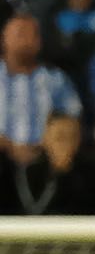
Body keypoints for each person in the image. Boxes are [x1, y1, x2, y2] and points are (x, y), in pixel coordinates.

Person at [0, 13, 81, 162]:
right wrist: (9, 145)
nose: (28, 40)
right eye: (21, 34)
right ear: (4, 39)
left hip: (44, 159)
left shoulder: (56, 79)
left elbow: (73, 120)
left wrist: (51, 143)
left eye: (34, 35)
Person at [11, 111, 95, 214]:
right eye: (60, 138)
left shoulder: (93, 176)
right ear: (46, 140)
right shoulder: (28, 174)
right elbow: (32, 212)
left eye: (73, 137)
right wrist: (57, 175)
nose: (67, 144)